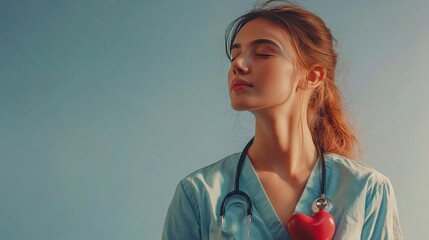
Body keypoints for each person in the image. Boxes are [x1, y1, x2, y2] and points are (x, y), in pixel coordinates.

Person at [162, 1, 403, 239]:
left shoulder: (367, 190)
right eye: (234, 56)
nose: (237, 64)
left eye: (263, 53)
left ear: (312, 75)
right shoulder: (197, 194)